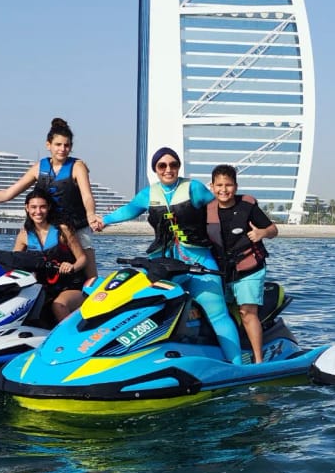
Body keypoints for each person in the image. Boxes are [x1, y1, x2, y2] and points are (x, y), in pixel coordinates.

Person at [92, 147, 246, 360]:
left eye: (173, 165)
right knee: (145, 308)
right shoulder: (148, 194)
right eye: (162, 165)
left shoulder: (194, 188)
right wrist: (104, 220)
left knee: (217, 314)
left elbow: (222, 206)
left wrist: (247, 214)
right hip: (162, 264)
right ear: (155, 169)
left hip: (199, 260)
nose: (168, 169)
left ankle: (237, 365)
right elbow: (128, 210)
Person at [0, 118, 100, 281]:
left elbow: (87, 196)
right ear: (49, 145)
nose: (62, 149)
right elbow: (8, 194)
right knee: (25, 267)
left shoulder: (77, 166)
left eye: (67, 145)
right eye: (58, 145)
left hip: (77, 227)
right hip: (48, 228)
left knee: (90, 277)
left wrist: (91, 214)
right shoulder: (40, 167)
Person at [0, 190, 91, 324]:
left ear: (49, 208)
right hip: (43, 288)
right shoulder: (24, 235)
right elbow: (14, 262)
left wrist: (72, 267)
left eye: (42, 207)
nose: (38, 211)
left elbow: (83, 259)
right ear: (27, 208)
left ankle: (71, 341)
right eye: (34, 207)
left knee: (58, 305)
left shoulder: (63, 230)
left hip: (71, 287)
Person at [206, 165, 279, 363]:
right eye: (219, 185)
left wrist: (261, 233)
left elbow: (273, 229)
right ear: (212, 187)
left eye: (228, 185)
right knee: (217, 312)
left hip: (249, 268)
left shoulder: (247, 207)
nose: (224, 189)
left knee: (247, 312)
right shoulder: (206, 210)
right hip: (221, 271)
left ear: (236, 187)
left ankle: (258, 360)